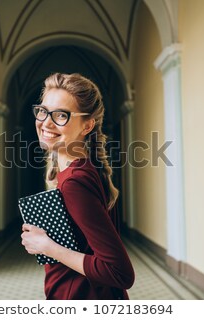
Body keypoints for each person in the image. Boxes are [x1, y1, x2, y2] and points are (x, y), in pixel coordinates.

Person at [21, 72, 135, 299]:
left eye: (61, 115)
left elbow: (120, 272)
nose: (46, 122)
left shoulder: (75, 182)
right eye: (43, 111)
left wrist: (47, 246)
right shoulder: (80, 168)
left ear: (87, 126)